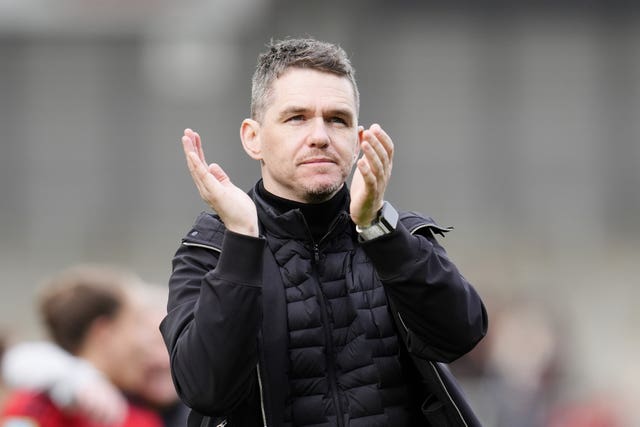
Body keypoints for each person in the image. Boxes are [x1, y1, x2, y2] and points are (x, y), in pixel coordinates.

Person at [160, 37, 488, 427]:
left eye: (338, 119)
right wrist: (243, 240)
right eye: (296, 117)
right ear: (253, 137)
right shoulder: (211, 248)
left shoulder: (396, 234)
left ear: (357, 140)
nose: (320, 136)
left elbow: (460, 337)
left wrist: (377, 228)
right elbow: (206, 390)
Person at [1, 283, 189, 427]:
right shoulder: (38, 406)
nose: (144, 342)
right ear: (104, 333)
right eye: (137, 325)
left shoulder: (142, 415)